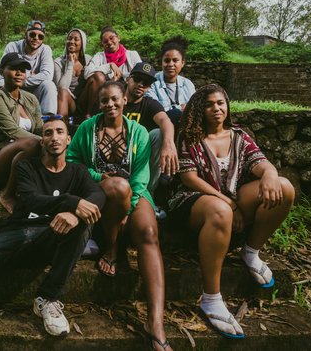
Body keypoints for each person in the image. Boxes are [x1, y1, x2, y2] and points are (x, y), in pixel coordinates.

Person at [0, 116, 105, 351]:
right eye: (48, 133)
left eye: (60, 132)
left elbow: (98, 196)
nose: (54, 138)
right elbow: (31, 200)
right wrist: (72, 203)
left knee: (82, 223)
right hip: (18, 235)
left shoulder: (78, 171)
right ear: (42, 140)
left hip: (51, 238)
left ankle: (48, 297)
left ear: (69, 139)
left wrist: (75, 214)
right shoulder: (26, 167)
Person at [168, 84, 294, 339]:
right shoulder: (189, 136)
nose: (216, 108)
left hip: (231, 203)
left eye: (220, 103)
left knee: (284, 188)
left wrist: (270, 173)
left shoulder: (239, 136)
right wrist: (229, 203)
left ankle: (251, 251)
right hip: (193, 203)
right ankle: (211, 298)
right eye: (209, 104)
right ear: (199, 109)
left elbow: (260, 162)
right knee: (220, 210)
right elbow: (189, 178)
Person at [67, 81, 172, 351]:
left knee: (148, 233)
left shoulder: (138, 132)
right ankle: (111, 248)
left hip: (134, 193)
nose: (110, 105)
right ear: (98, 104)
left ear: (125, 100)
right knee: (117, 186)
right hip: (100, 193)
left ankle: (155, 323)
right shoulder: (87, 129)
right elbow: (71, 160)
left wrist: (131, 205)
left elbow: (141, 176)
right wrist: (96, 175)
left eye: (115, 99)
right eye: (104, 101)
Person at [0, 52, 43, 211]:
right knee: (33, 143)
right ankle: (7, 194)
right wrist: (44, 142)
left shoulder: (31, 99)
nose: (19, 73)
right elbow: (12, 130)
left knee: (30, 151)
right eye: (13, 68)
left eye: (23, 70)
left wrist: (56, 136)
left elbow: (39, 128)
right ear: (2, 70)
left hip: (24, 155)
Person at [122, 61, 179, 198]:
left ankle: (146, 192)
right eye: (137, 79)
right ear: (128, 79)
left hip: (138, 155)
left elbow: (165, 121)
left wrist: (169, 144)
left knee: (159, 134)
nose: (141, 84)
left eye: (146, 83)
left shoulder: (149, 104)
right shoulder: (115, 99)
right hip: (113, 150)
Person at [0, 20, 57, 114]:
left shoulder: (45, 49)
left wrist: (22, 80)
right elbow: (1, 75)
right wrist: (30, 75)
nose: (36, 38)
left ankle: (48, 120)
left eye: (40, 36)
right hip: (13, 89)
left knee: (49, 85)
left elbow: (47, 75)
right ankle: (5, 117)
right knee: (1, 83)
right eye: (32, 34)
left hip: (34, 90)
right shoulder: (13, 47)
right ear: (26, 34)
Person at [80, 27, 142, 115]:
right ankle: (91, 115)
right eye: (105, 41)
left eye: (112, 38)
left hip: (125, 92)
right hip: (102, 95)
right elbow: (87, 73)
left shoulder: (132, 55)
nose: (109, 42)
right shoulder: (99, 56)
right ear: (102, 44)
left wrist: (121, 78)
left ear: (118, 38)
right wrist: (109, 66)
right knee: (98, 76)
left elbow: (140, 73)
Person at [145, 36, 196, 127]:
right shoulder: (152, 82)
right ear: (161, 62)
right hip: (159, 127)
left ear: (182, 63)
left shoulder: (188, 84)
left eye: (175, 60)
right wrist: (182, 109)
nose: (171, 64)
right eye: (167, 61)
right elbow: (154, 109)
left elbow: (195, 108)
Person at [53, 28, 90, 118]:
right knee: (63, 91)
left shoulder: (88, 60)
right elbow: (61, 87)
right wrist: (70, 64)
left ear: (82, 43)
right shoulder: (58, 62)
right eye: (69, 38)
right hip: (68, 102)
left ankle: (90, 115)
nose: (72, 41)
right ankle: (62, 127)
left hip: (84, 101)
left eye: (76, 39)